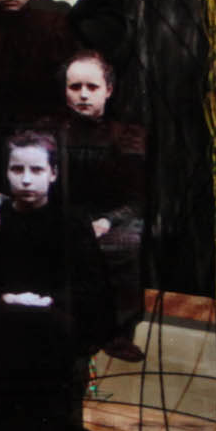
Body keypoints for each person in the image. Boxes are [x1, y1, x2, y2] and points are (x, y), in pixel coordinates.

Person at [0, 127, 112, 431]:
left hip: (54, 314)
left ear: (53, 173)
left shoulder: (71, 222)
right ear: (6, 172)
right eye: (17, 169)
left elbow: (91, 285)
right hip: (1, 311)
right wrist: (4, 298)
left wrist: (48, 301)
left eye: (37, 170)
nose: (26, 179)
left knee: (49, 332)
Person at [58, 50, 147, 362]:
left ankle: (117, 333)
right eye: (75, 87)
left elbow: (136, 198)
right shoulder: (53, 132)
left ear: (108, 90)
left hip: (114, 219)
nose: (83, 94)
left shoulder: (127, 136)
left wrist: (107, 221)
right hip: (66, 216)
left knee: (129, 242)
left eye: (92, 87)